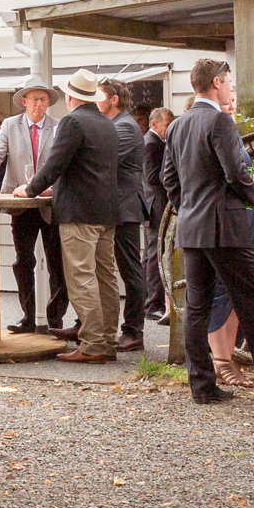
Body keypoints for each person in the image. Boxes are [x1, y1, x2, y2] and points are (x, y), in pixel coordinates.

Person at [164, 59, 254, 405]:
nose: (231, 88)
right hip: (225, 226)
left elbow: (170, 180)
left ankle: (202, 385)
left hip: (192, 227)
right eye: (228, 82)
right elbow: (234, 172)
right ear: (215, 83)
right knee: (253, 303)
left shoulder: (178, 125)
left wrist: (190, 208)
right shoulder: (219, 120)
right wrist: (251, 192)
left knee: (197, 307)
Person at [22, 70, 124, 362]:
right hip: (107, 210)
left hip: (79, 212)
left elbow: (55, 163)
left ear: (69, 97)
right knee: (105, 277)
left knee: (81, 277)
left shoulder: (72, 121)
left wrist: (30, 189)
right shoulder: (108, 124)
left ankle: (92, 345)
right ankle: (108, 339)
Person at [0, 81, 67, 332]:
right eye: (34, 99)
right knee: (23, 261)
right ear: (24, 101)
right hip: (21, 204)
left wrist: (51, 188)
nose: (38, 104)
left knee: (56, 263)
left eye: (43, 99)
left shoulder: (59, 127)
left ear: (49, 103)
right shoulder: (9, 125)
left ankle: (55, 320)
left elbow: (62, 164)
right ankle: (28, 318)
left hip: (50, 203)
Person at [97, 83, 152, 352]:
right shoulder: (117, 124)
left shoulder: (124, 127)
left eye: (99, 96)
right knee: (107, 268)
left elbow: (103, 161)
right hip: (115, 207)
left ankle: (134, 331)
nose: (94, 101)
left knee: (130, 270)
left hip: (125, 208)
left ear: (114, 100)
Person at [140, 105, 173, 324]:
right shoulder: (152, 144)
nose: (169, 129)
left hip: (154, 203)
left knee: (150, 254)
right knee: (154, 254)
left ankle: (150, 299)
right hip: (156, 203)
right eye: (167, 125)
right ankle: (153, 303)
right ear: (155, 124)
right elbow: (153, 177)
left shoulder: (155, 142)